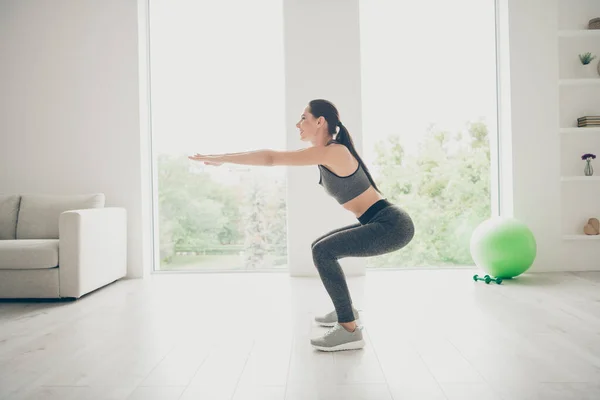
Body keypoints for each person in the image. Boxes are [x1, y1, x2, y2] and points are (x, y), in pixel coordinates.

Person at [189, 99, 415, 351]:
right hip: (381, 220)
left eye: (303, 118)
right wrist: (224, 159)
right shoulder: (323, 153)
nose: (298, 124)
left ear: (320, 122)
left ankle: (349, 329)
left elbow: (271, 158)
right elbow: (271, 157)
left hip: (392, 225)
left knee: (323, 252)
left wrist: (222, 158)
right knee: (319, 246)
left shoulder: (334, 151)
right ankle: (345, 308)